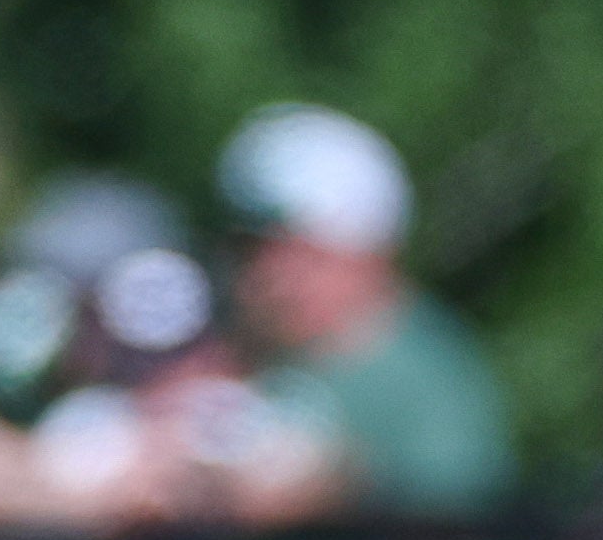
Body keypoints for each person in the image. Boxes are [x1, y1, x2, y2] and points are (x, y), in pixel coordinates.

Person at [213, 106, 513, 519]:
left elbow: (458, 511)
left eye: (297, 254)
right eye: (250, 250)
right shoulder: (240, 353)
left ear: (366, 254)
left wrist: (334, 488)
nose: (270, 277)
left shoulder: (429, 378)